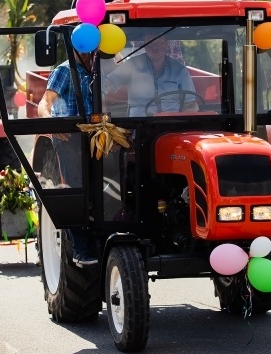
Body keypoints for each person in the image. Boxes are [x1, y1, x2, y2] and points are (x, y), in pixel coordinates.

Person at [37, 49, 99, 266]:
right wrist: (53, 124)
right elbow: (44, 104)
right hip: (69, 138)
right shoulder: (64, 70)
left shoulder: (98, 69)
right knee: (74, 189)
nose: (88, 50)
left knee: (101, 190)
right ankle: (81, 250)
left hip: (96, 137)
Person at [105, 33, 199, 116]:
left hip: (171, 124)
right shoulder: (132, 64)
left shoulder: (180, 70)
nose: (155, 46)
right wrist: (103, 109)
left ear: (166, 44)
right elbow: (105, 86)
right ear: (145, 45)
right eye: (150, 42)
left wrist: (183, 123)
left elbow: (190, 104)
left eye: (159, 42)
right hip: (138, 125)